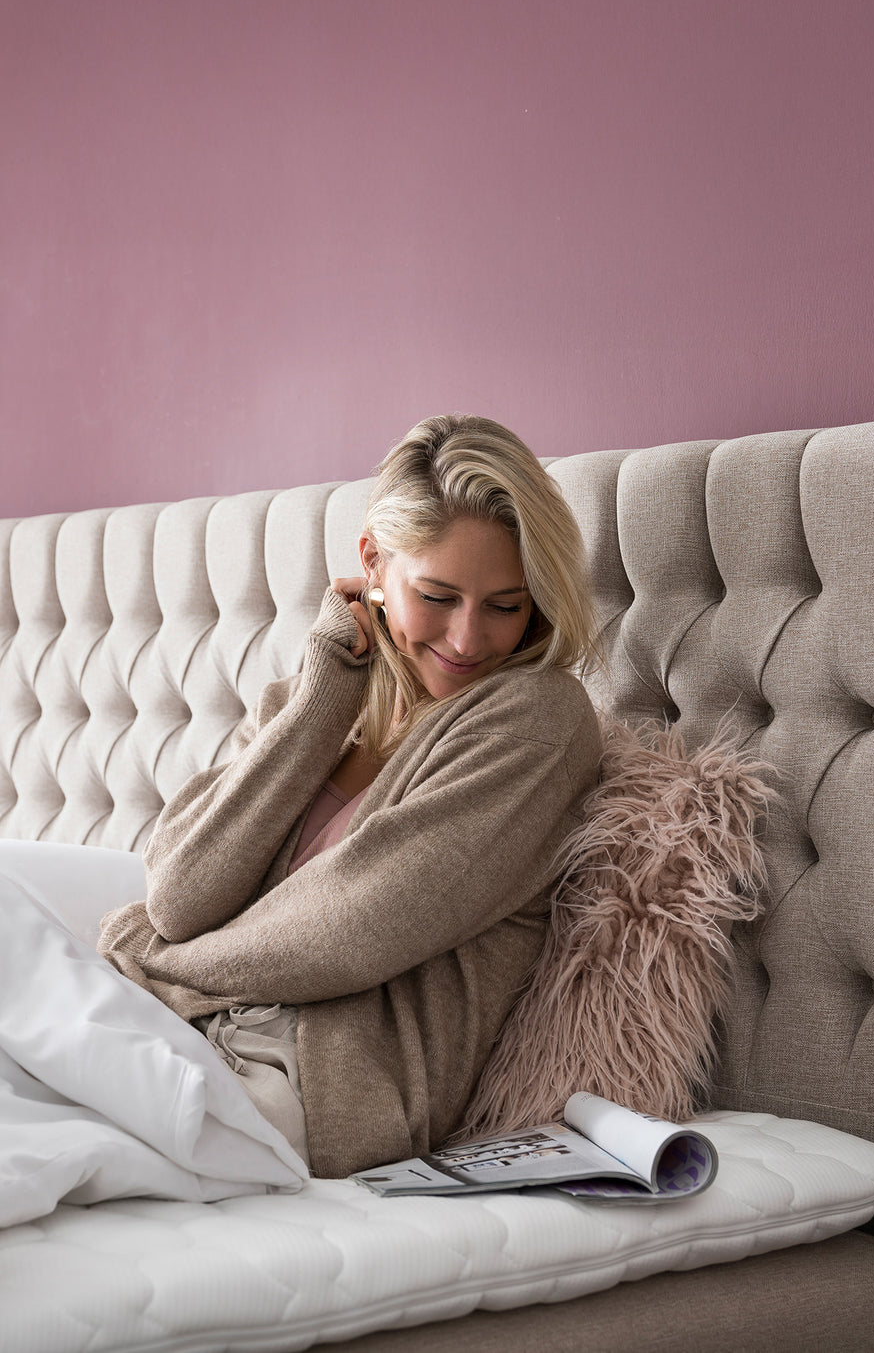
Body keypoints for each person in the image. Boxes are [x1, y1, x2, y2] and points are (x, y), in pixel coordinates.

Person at [98, 414, 603, 1179]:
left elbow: (356, 928)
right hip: (194, 1028)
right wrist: (323, 691)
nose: (468, 639)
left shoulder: (537, 718)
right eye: (436, 595)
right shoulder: (317, 702)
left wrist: (159, 964)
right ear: (372, 562)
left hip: (313, 1080)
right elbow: (177, 895)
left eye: (506, 604)